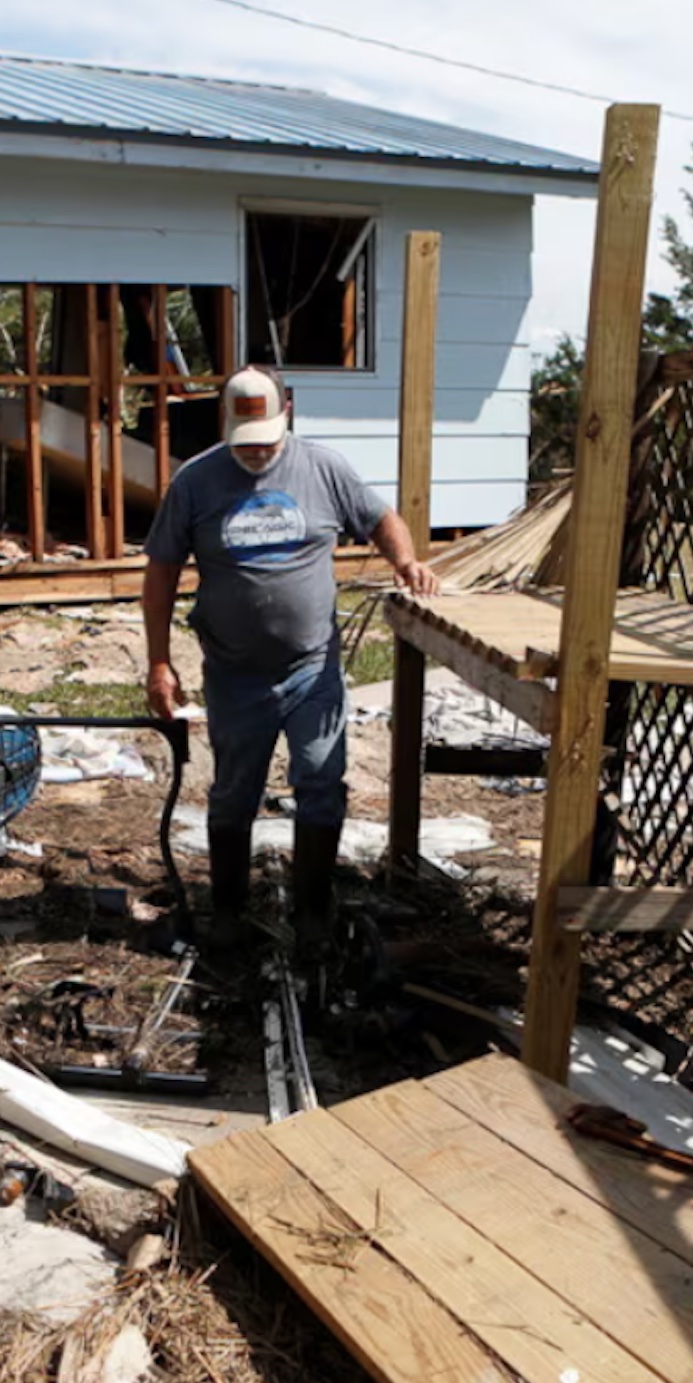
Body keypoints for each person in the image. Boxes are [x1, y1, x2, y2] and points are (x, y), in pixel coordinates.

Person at [142, 366, 439, 951]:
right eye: (245, 443)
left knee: (321, 783)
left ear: (290, 415)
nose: (256, 454)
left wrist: (406, 561)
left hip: (312, 669)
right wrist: (159, 661)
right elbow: (161, 573)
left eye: (267, 443)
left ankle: (312, 912)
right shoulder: (196, 482)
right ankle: (226, 912)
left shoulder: (325, 468)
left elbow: (380, 517)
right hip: (233, 673)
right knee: (233, 792)